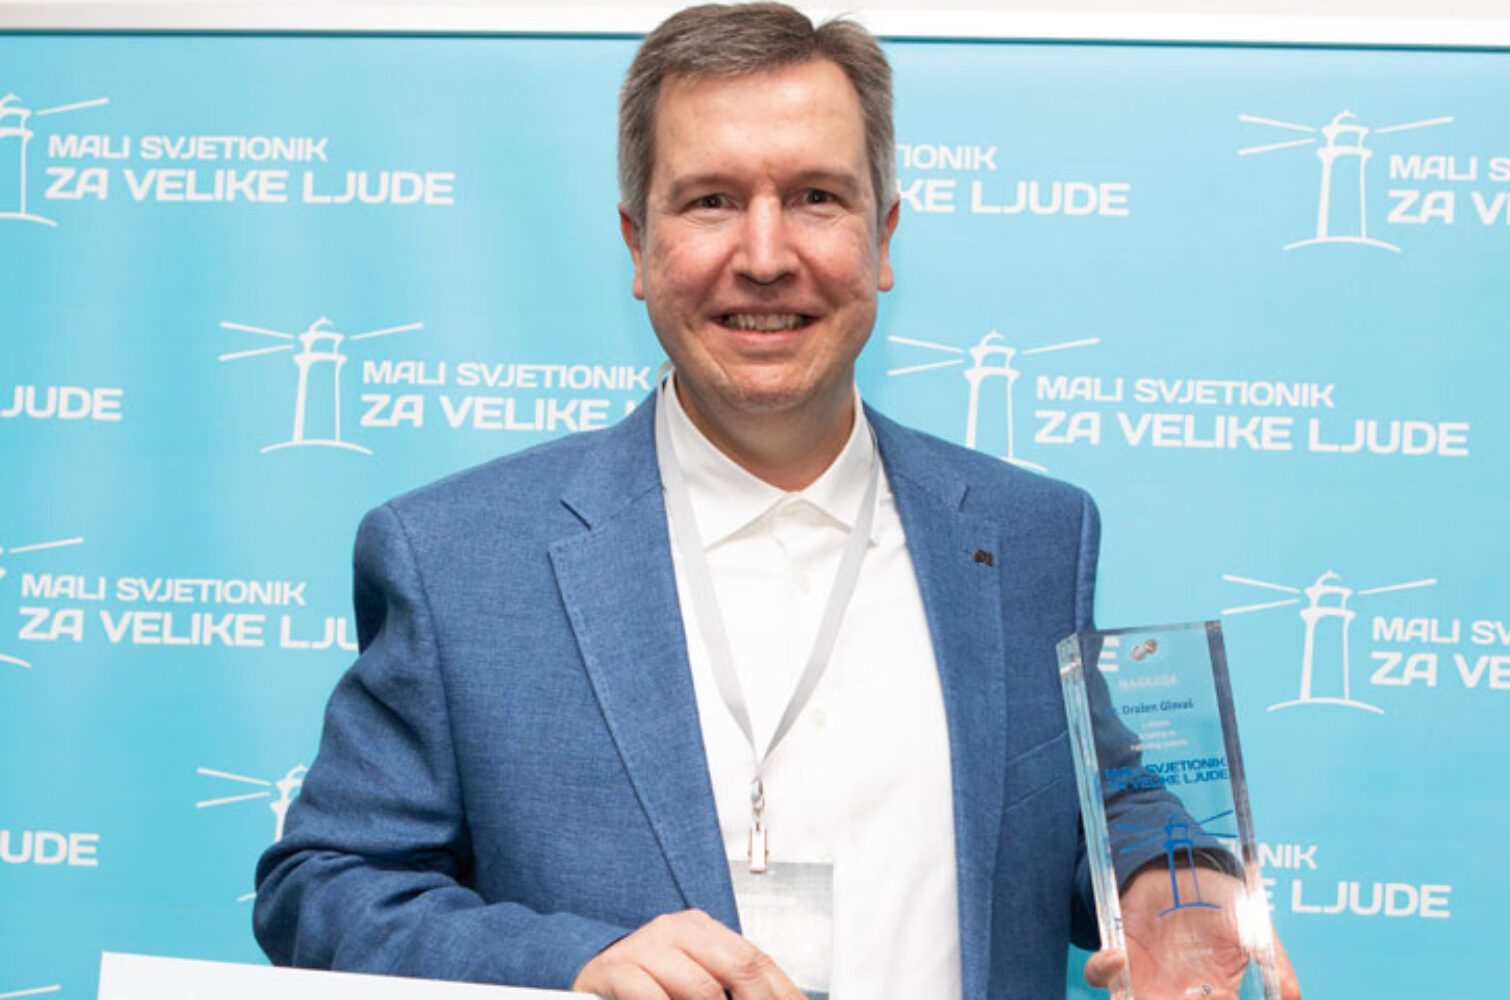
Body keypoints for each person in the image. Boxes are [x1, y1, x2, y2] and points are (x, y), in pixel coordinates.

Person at [255, 5, 1301, 999]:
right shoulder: (457, 560)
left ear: (883, 240)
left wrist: (1167, 877)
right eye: (711, 200)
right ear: (636, 244)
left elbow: (1099, 803)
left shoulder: (1030, 535)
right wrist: (572, 966)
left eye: (816, 198)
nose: (764, 258)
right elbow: (325, 889)